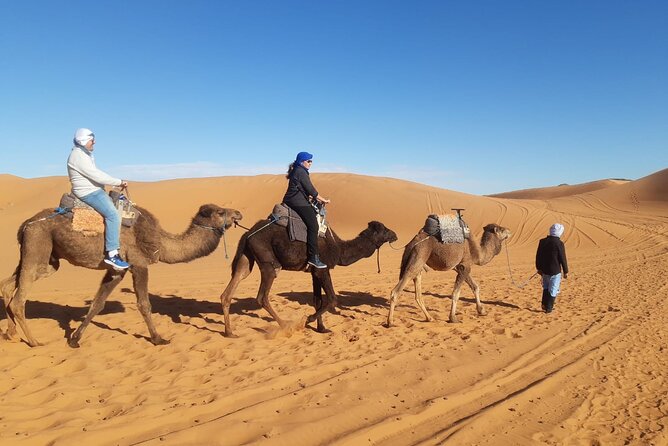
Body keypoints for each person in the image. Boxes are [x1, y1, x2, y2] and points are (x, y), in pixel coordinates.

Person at [67, 128, 130, 270]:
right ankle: (112, 254)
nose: (94, 142)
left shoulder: (84, 154)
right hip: (90, 192)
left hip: (94, 190)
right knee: (113, 215)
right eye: (91, 139)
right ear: (83, 141)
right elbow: (96, 175)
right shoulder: (78, 156)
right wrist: (118, 181)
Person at [282, 151, 330, 269]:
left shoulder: (298, 171)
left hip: (293, 200)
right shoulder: (301, 172)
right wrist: (323, 200)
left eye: (311, 161)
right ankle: (313, 257)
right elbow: (311, 190)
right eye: (308, 161)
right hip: (297, 202)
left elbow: (304, 189)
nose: (310, 163)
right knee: (314, 226)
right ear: (302, 161)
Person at [535, 223, 569, 313]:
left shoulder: (542, 241)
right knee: (553, 288)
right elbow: (562, 258)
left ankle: (544, 304)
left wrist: (538, 268)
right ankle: (549, 308)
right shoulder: (559, 243)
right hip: (555, 271)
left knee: (546, 287)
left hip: (544, 270)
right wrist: (566, 271)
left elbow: (538, 256)